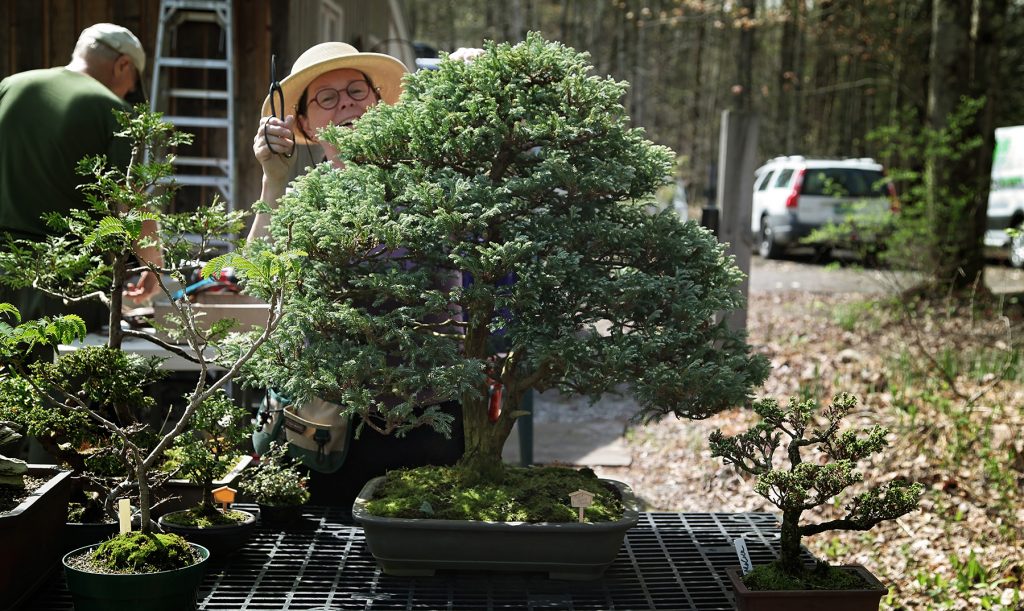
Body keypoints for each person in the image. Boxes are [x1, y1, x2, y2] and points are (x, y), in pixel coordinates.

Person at [249, 42, 464, 513]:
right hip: (333, 417)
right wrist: (273, 181)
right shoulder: (306, 199)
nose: (345, 103)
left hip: (425, 411)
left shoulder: (431, 179)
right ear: (303, 123)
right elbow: (256, 281)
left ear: (377, 101)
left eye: (355, 91)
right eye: (326, 98)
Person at [0, 23, 162, 329]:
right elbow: (129, 200)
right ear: (122, 65)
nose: (130, 92)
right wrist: (153, 264)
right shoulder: (114, 110)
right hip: (67, 288)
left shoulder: (10, 86)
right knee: (60, 375)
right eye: (133, 84)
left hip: (4, 269)